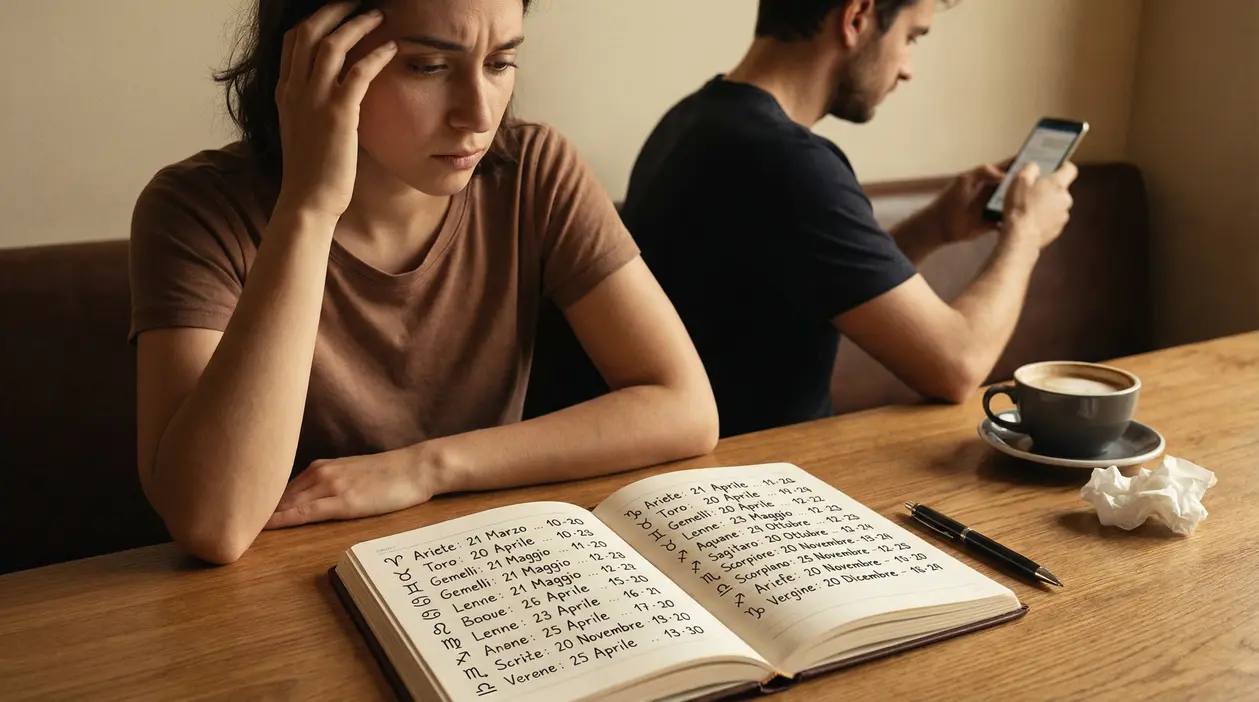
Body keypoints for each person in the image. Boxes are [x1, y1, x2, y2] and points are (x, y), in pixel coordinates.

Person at [129, 0, 719, 565]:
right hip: (280, 585)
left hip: (484, 564)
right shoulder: (196, 210)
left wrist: (426, 468)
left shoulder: (533, 171)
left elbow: (685, 407)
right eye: (428, 66)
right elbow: (214, 522)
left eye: (500, 63)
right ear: (314, 56)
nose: (478, 115)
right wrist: (309, 209)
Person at [526, 0, 1078, 438]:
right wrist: (1025, 234)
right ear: (857, 17)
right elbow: (957, 364)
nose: (908, 68)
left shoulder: (697, 118)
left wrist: (934, 226)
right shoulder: (788, 162)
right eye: (912, 37)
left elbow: (810, 284)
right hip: (762, 488)